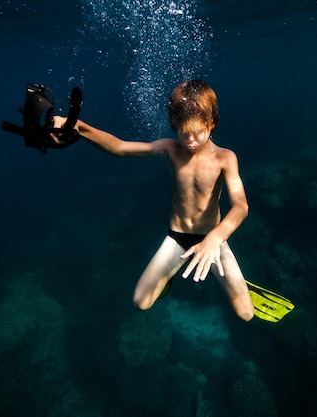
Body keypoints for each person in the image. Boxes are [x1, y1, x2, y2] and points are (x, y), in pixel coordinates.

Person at [53, 80, 254, 321]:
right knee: (141, 303)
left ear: (211, 124)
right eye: (183, 132)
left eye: (198, 132)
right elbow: (120, 147)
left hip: (213, 238)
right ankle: (173, 277)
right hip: (178, 239)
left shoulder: (225, 158)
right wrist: (78, 127)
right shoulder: (171, 149)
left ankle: (220, 269)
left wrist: (214, 239)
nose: (189, 140)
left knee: (246, 314)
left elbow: (241, 206)